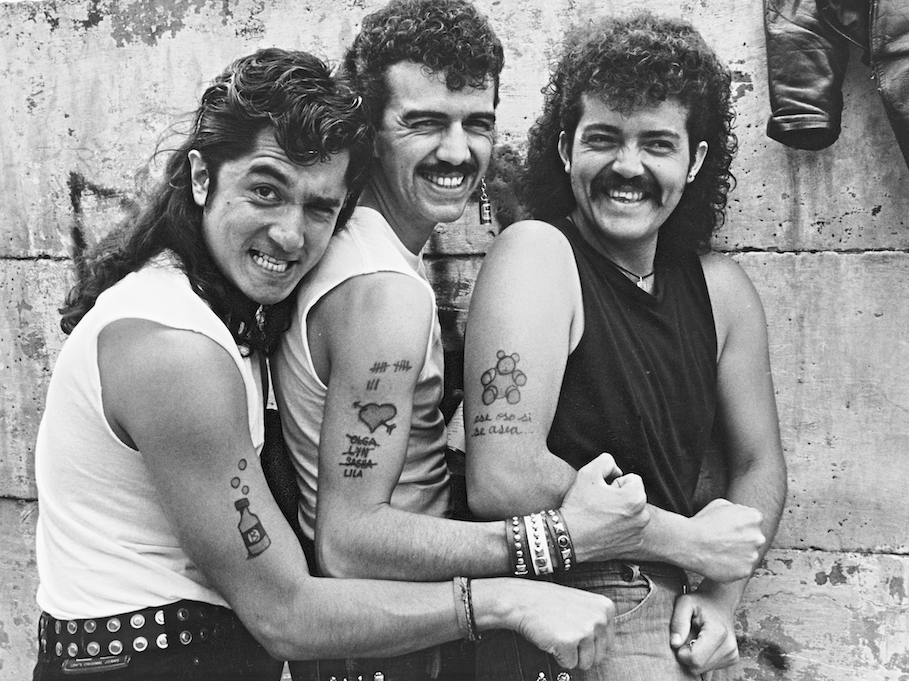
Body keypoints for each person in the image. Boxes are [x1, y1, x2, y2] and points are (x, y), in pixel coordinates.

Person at [32, 47, 617, 681]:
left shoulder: (215, 307)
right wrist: (522, 583)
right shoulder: (175, 349)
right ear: (202, 177)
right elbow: (285, 613)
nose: (290, 235)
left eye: (318, 208)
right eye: (265, 191)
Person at [271, 2, 650, 679]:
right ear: (370, 131)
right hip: (381, 649)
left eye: (476, 123)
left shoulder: (371, 253)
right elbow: (350, 540)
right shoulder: (385, 291)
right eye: (423, 123)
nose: (456, 151)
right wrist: (558, 537)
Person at [464, 13, 788, 681]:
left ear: (694, 161)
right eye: (603, 139)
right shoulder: (538, 254)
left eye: (657, 144)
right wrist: (688, 539)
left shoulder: (720, 289)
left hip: (682, 619)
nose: (627, 166)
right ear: (564, 149)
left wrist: (721, 598)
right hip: (576, 602)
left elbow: (759, 462)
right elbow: (501, 474)